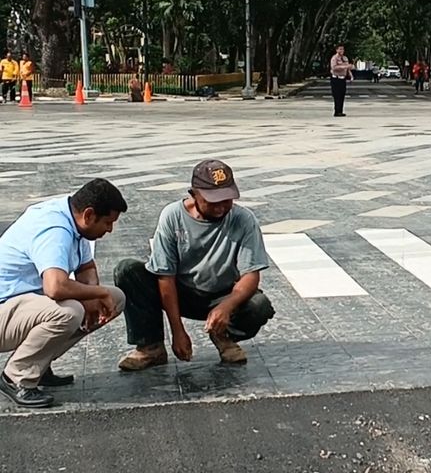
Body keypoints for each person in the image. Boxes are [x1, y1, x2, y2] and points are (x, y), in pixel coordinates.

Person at [114, 160, 275, 371]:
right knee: (127, 271)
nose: (220, 207)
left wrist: (227, 306)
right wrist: (177, 331)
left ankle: (223, 336)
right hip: (181, 292)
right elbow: (165, 276)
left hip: (222, 294)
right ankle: (150, 346)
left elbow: (250, 274)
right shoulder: (172, 216)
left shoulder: (244, 220)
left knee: (259, 305)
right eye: (212, 200)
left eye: (226, 200)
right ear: (194, 194)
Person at [0, 179, 128, 408]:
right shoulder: (54, 229)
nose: (110, 230)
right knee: (69, 312)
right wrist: (93, 293)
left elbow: (86, 267)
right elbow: (55, 287)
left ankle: (38, 365)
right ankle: (17, 376)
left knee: (114, 299)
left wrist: (93, 297)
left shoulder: (74, 220)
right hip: (4, 310)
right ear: (89, 215)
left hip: (22, 306)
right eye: (108, 222)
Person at [330, 45, 354, 117]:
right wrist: (345, 66)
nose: (341, 51)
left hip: (342, 78)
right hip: (336, 78)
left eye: (343, 49)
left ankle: (340, 110)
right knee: (337, 95)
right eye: (340, 49)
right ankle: (336, 111)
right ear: (336, 50)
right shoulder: (334, 58)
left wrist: (351, 75)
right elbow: (334, 68)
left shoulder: (345, 58)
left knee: (342, 95)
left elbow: (347, 69)